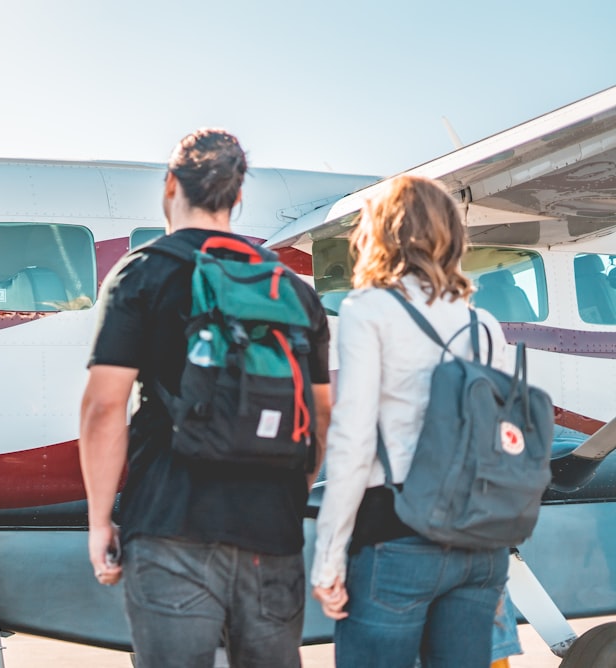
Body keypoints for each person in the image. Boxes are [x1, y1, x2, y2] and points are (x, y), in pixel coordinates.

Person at [79, 128, 332, 668]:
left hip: (170, 526)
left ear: (170, 185)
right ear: (238, 197)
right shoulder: (291, 288)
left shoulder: (142, 272)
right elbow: (323, 413)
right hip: (273, 534)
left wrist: (102, 521)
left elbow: (104, 406)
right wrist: (292, 488)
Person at [310, 175, 510, 667]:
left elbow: (354, 439)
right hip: (479, 544)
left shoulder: (369, 309)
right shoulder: (483, 325)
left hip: (394, 531)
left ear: (381, 234)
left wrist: (329, 555)